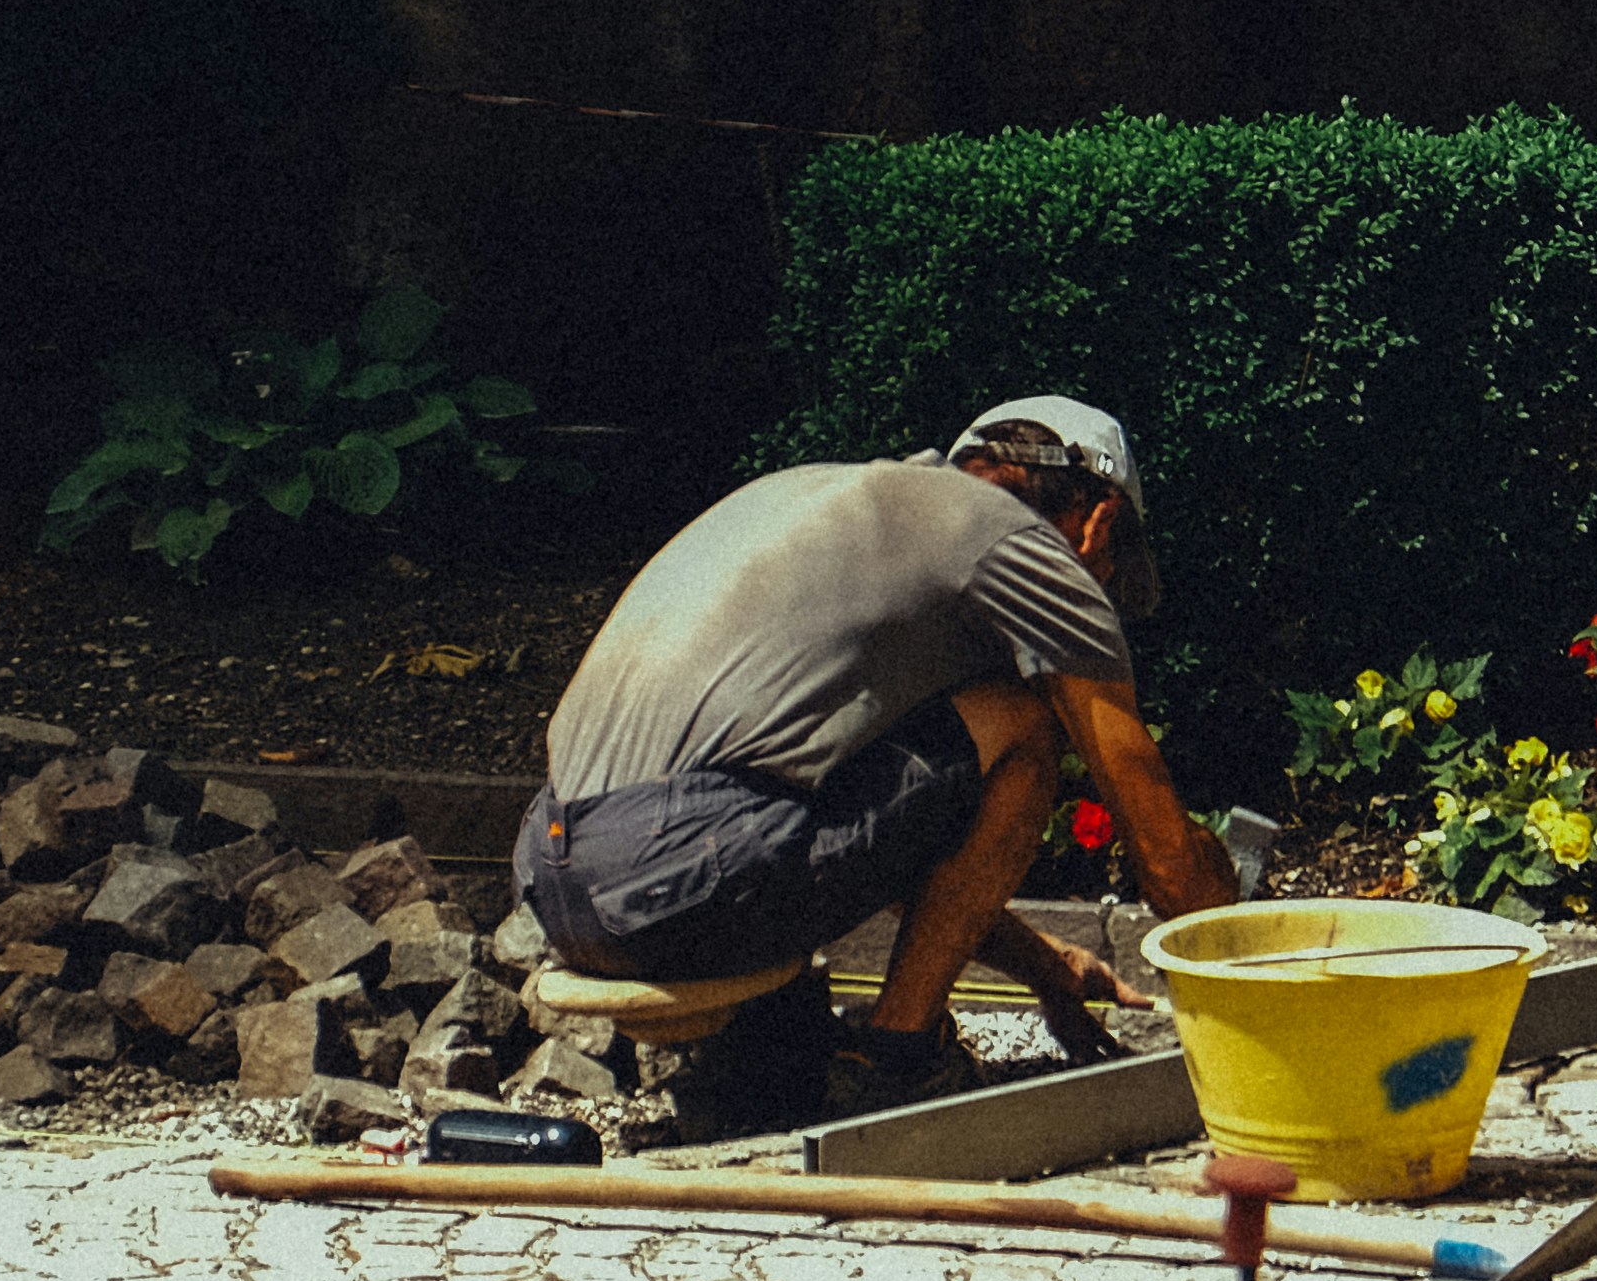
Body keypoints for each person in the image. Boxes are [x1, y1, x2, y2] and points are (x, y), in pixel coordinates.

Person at [516, 393, 1240, 1134]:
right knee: (1023, 722)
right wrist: (1252, 953)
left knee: (888, 761)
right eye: (1113, 572)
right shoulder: (1021, 544)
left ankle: (773, 1064)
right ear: (1099, 525)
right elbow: (1169, 872)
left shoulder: (842, 505)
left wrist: (1047, 970)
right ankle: (898, 1061)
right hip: (677, 875)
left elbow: (885, 835)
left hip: (552, 876)